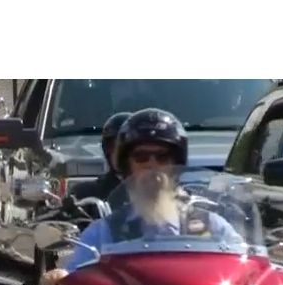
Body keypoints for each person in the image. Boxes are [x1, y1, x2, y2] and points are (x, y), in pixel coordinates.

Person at [62, 108, 243, 271]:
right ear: (127, 167)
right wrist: (60, 278)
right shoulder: (103, 233)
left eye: (162, 157)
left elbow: (246, 269)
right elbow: (74, 282)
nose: (152, 165)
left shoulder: (212, 226)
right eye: (141, 157)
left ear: (176, 165)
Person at [68, 111, 132, 203]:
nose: (121, 153)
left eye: (126, 147)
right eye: (114, 147)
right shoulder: (86, 193)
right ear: (107, 151)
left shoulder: (150, 191)